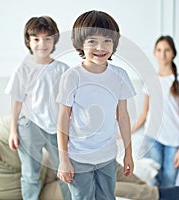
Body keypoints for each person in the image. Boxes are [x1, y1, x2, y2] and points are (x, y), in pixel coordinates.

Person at [0, 111, 179, 200]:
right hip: (40, 194)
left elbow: (40, 126)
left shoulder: (4, 126)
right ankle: (156, 195)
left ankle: (150, 192)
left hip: (51, 167)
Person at [56, 10, 136, 200]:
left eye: (107, 40)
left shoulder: (120, 76)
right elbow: (63, 118)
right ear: (80, 44)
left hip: (107, 156)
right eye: (92, 41)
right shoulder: (72, 77)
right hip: (78, 156)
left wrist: (128, 154)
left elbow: (123, 116)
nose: (100, 47)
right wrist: (63, 159)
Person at [4, 16, 70, 200]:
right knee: (30, 173)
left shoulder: (62, 69)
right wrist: (13, 130)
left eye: (47, 38)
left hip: (55, 127)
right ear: (29, 41)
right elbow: (16, 101)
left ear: (54, 40)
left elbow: (67, 104)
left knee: (64, 170)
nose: (42, 43)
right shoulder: (23, 69)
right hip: (28, 125)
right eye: (36, 39)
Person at [131, 35, 179, 187]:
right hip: (153, 139)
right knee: (153, 184)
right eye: (159, 50)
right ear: (154, 53)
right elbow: (144, 114)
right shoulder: (150, 80)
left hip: (173, 142)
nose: (163, 54)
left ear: (173, 53)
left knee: (168, 184)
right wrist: (124, 133)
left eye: (167, 50)